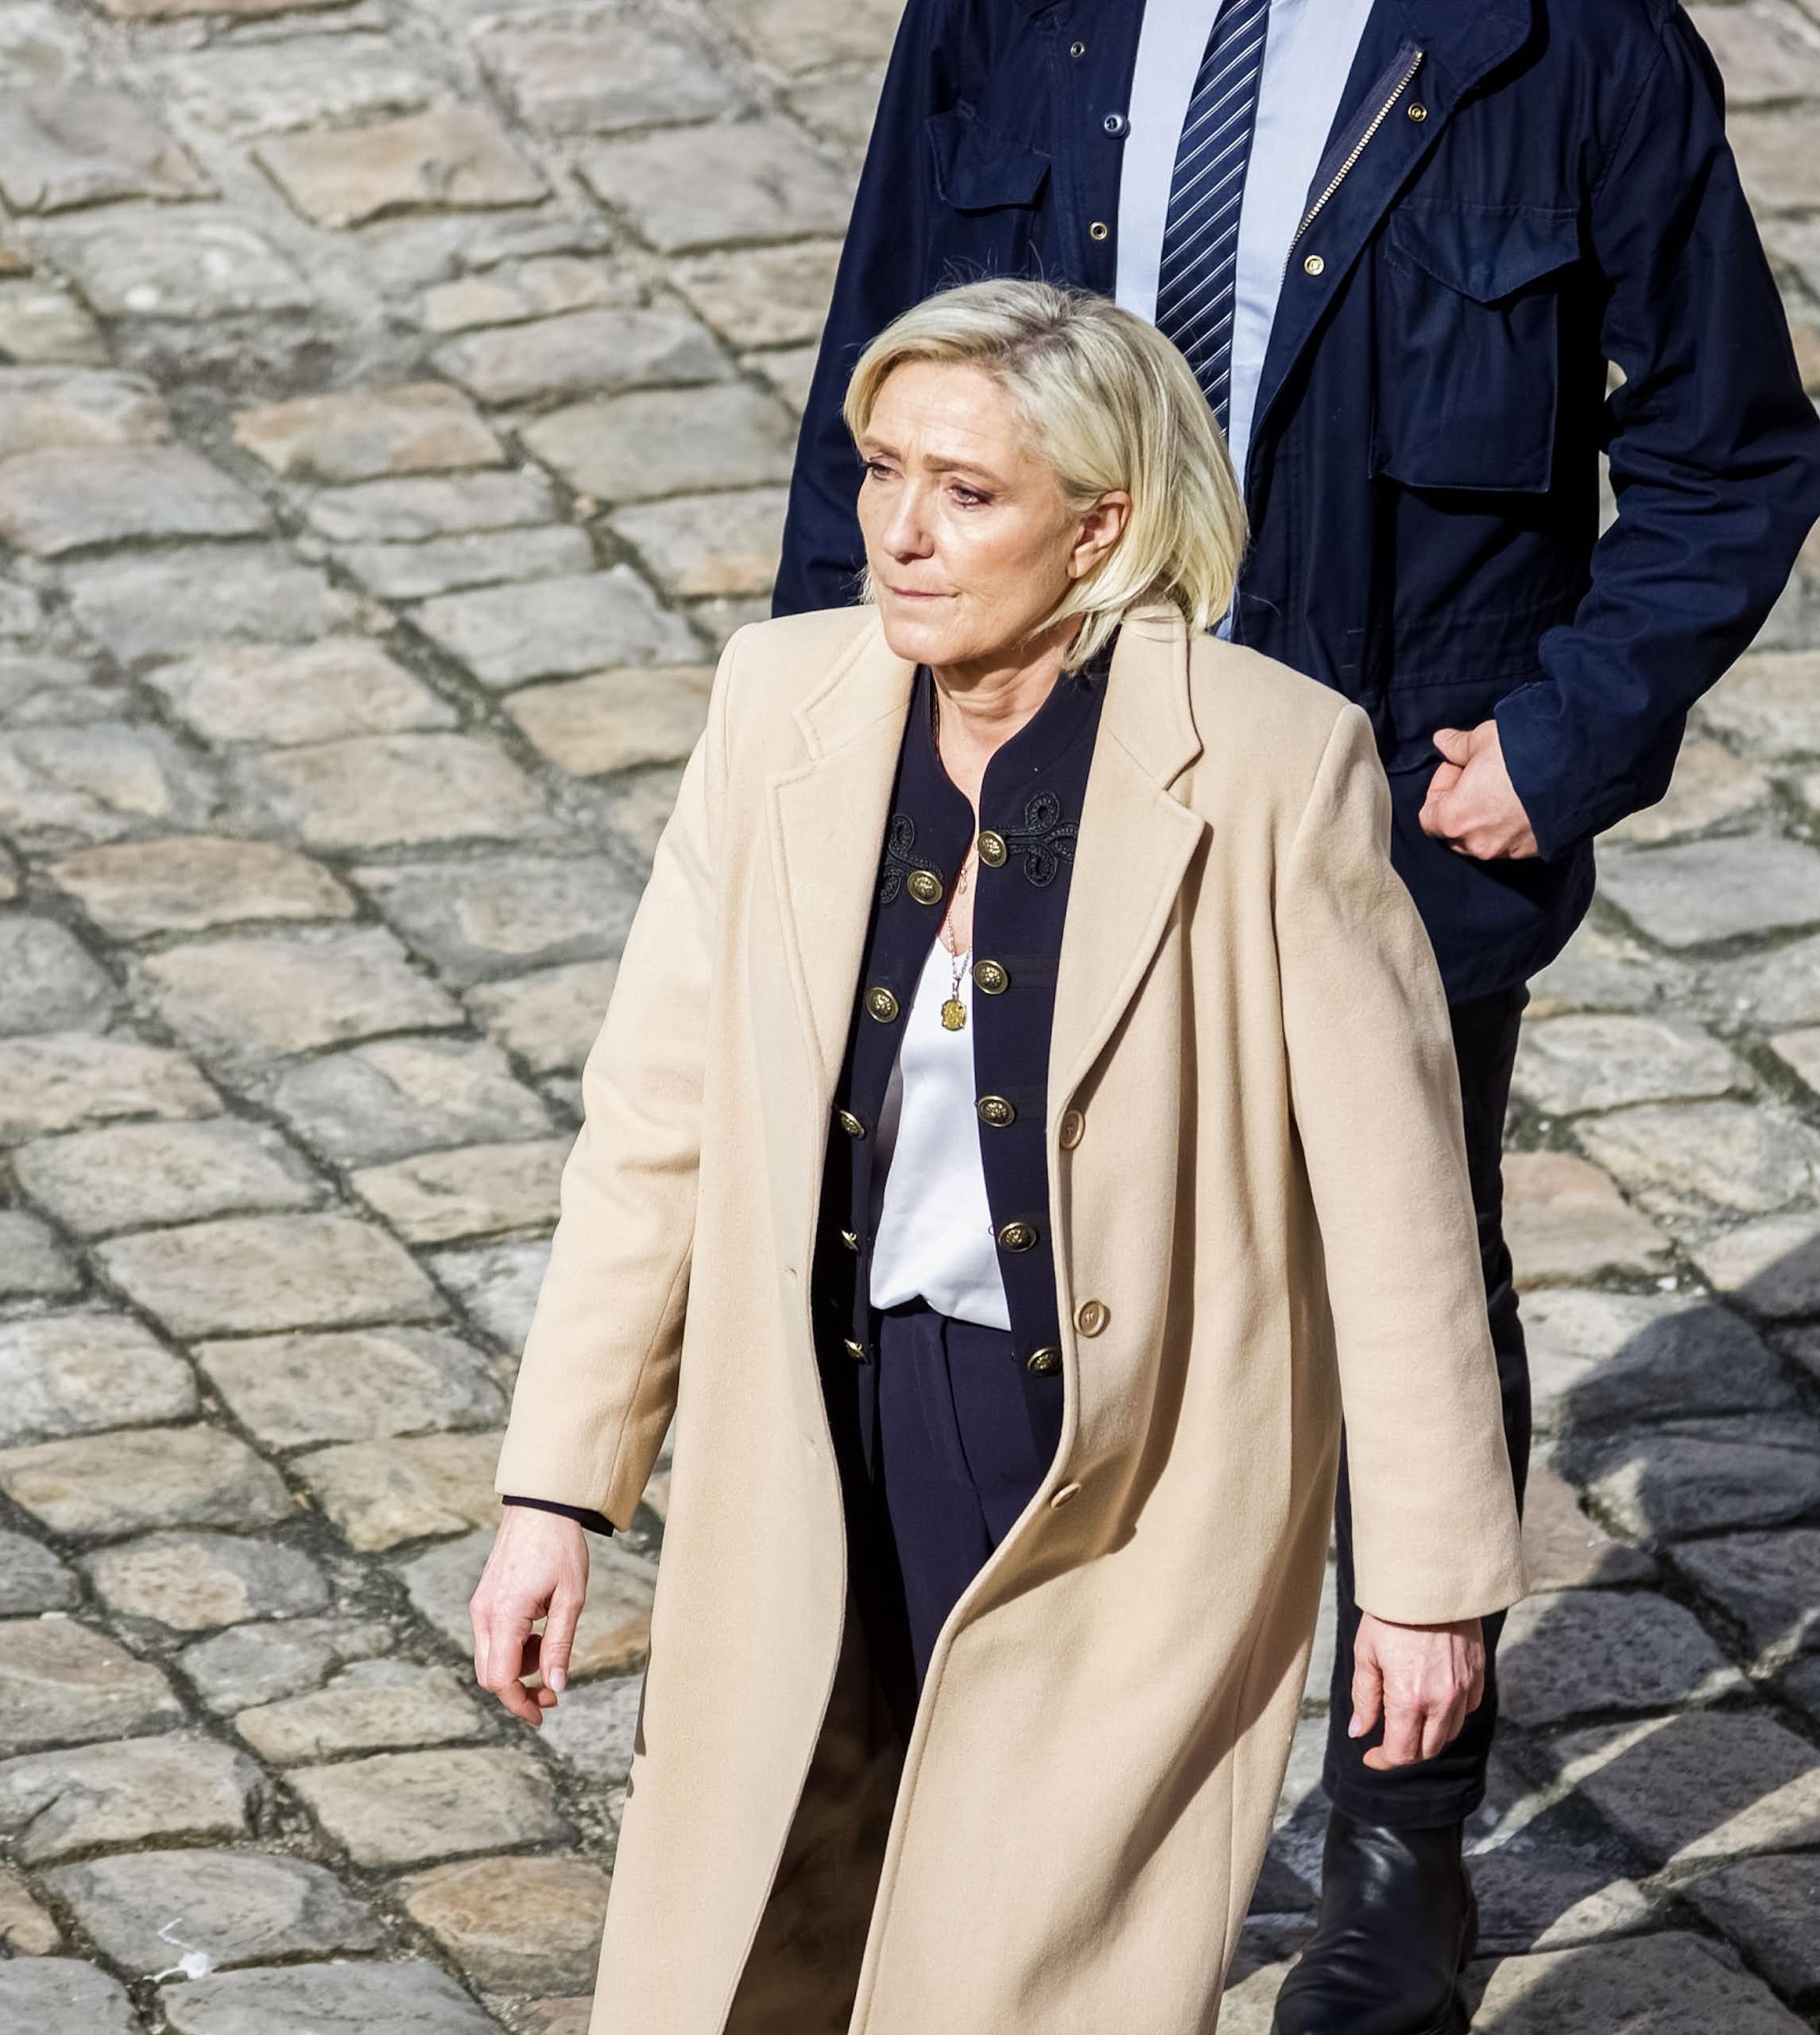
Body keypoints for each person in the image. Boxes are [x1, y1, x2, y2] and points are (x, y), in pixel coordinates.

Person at [772, 4, 1820, 2026]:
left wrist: (1561, 735)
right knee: (994, 1249)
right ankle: (982, 1777)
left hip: (1379, 817)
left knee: (1396, 1279)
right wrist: (832, 744)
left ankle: (1396, 1850)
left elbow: (1729, 455)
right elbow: (874, 392)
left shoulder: (1571, 47)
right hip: (1031, 765)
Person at [470, 279, 1525, 2035]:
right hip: (815, 1424)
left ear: (1098, 527)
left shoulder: (1273, 766)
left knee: (1014, 1965)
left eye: (966, 492)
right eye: (884, 470)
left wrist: (1422, 1591)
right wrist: (557, 1491)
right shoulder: (778, 702)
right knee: (767, 1924)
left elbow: (1399, 1212)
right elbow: (656, 1125)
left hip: (1121, 1478)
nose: (899, 529)